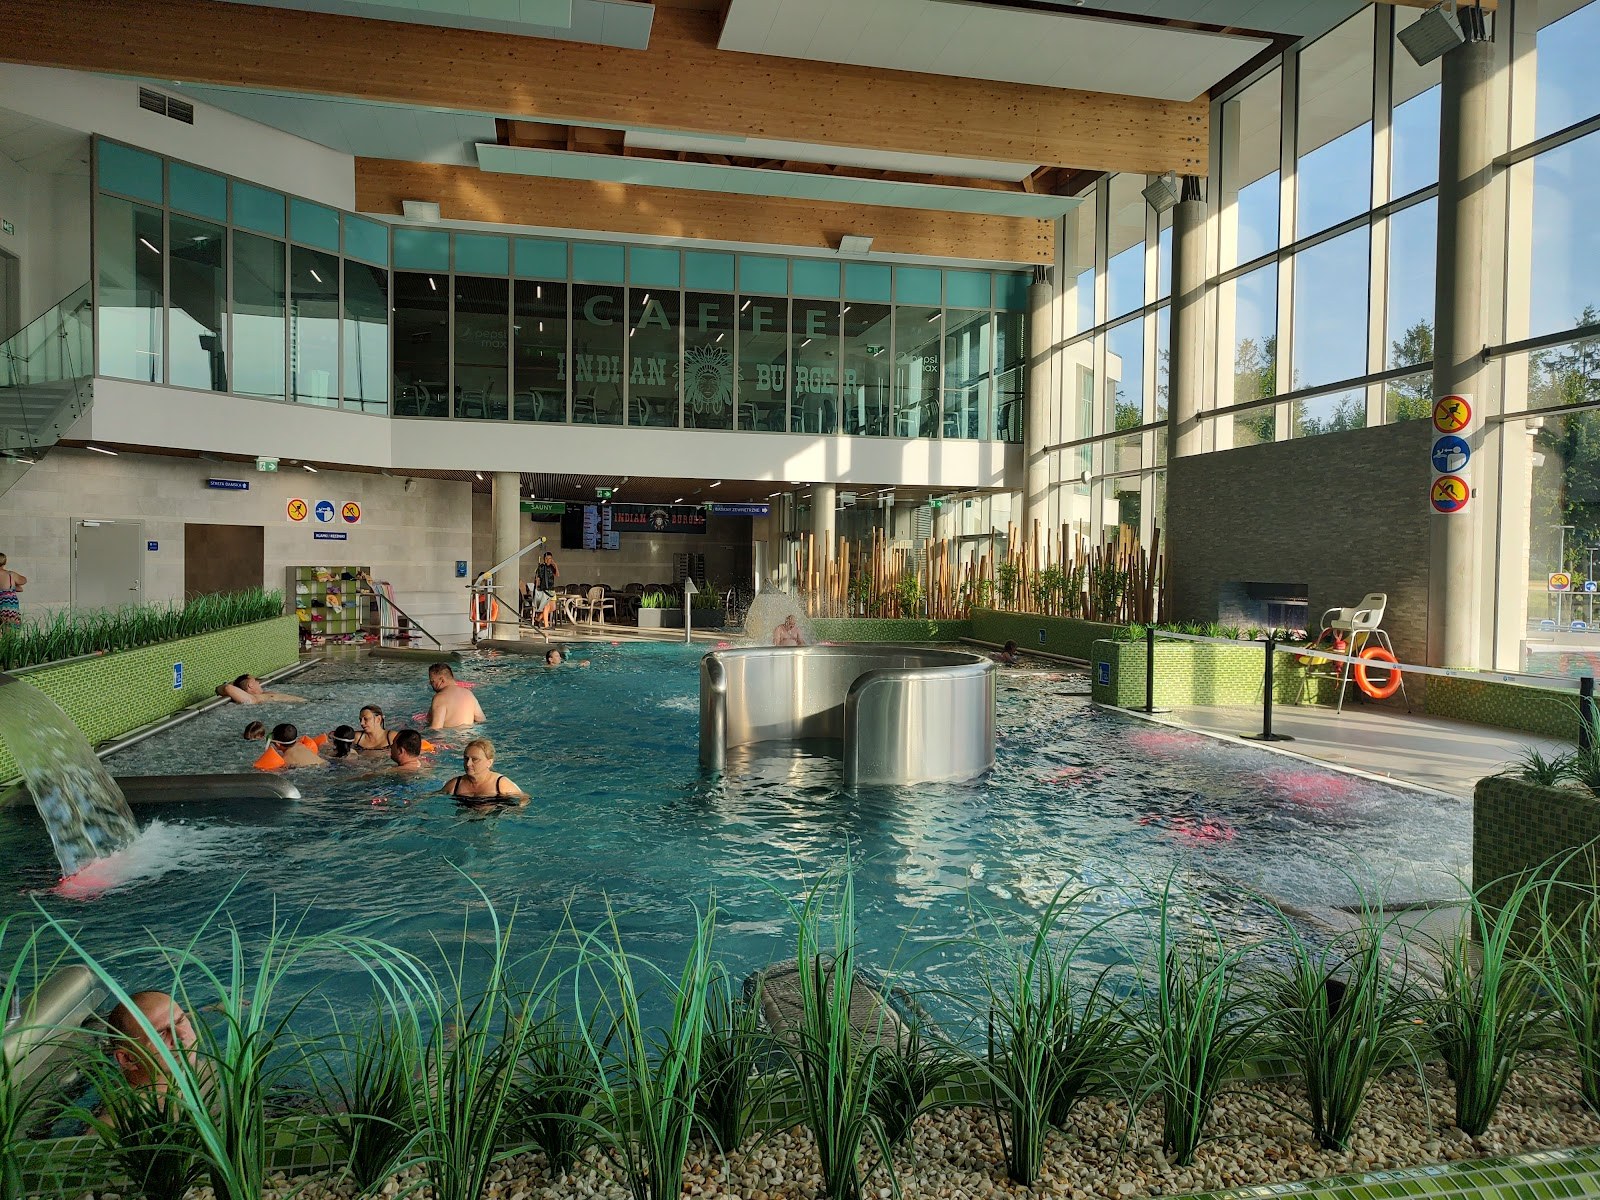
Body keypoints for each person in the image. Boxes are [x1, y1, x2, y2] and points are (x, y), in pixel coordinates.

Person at [105, 991, 198, 1095]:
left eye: (179, 1021)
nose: (182, 1035)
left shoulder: (198, 1070)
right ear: (127, 1059)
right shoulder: (136, 1110)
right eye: (160, 1034)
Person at [442, 737, 526, 807]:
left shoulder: (500, 784)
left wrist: (516, 810)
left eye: (475, 759)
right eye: (466, 758)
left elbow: (524, 798)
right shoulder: (455, 784)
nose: (468, 764)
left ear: (489, 762)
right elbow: (433, 797)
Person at [427, 663, 485, 729]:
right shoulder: (469, 694)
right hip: (471, 736)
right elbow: (481, 720)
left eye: (432, 681)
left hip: (452, 738)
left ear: (442, 680)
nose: (431, 684)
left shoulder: (440, 697)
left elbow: (436, 729)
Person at [253, 723, 326, 770]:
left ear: (278, 744)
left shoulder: (286, 759)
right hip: (326, 765)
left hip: (314, 771)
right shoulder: (302, 745)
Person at [216, 674, 306, 705]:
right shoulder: (253, 699)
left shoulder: (263, 694)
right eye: (255, 681)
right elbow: (227, 688)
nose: (258, 683)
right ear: (250, 685)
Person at [529, 551, 560, 629]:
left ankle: (538, 618)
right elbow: (538, 578)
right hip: (544, 589)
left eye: (550, 558)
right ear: (545, 559)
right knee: (546, 607)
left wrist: (555, 565)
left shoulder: (552, 567)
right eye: (547, 558)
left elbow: (557, 574)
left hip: (551, 589)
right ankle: (546, 625)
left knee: (553, 607)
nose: (549, 560)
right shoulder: (541, 567)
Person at [0, 553, 26, 628]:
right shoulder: (10, 574)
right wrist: (13, 585)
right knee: (10, 629)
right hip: (9, 604)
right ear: (4, 562)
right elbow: (23, 581)